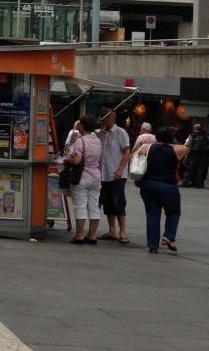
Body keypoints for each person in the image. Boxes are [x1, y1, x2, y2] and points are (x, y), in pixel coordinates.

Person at [137, 126, 189, 253]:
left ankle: (153, 245)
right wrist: (171, 141)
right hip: (169, 186)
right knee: (173, 212)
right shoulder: (177, 150)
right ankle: (169, 236)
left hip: (149, 184)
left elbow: (136, 159)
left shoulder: (146, 148)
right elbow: (186, 147)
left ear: (156, 137)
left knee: (152, 215)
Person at [65, 113, 103, 244]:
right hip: (96, 177)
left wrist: (68, 159)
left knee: (80, 206)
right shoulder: (98, 141)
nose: (78, 126)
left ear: (83, 126)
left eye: (80, 124)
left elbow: (76, 161)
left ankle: (79, 235)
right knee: (94, 206)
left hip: (82, 177)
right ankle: (92, 235)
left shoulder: (80, 141)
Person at [97, 105, 130, 244]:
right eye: (102, 116)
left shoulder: (121, 132)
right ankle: (112, 231)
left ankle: (123, 232)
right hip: (103, 173)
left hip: (117, 174)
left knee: (118, 202)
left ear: (113, 117)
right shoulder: (100, 133)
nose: (103, 119)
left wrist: (120, 169)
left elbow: (127, 152)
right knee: (107, 202)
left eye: (106, 116)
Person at [181, 121, 208, 188]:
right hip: (202, 155)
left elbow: (187, 144)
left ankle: (185, 183)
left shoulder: (192, 135)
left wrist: (186, 155)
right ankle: (198, 184)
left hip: (192, 154)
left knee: (189, 169)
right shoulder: (205, 136)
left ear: (194, 128)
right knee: (200, 170)